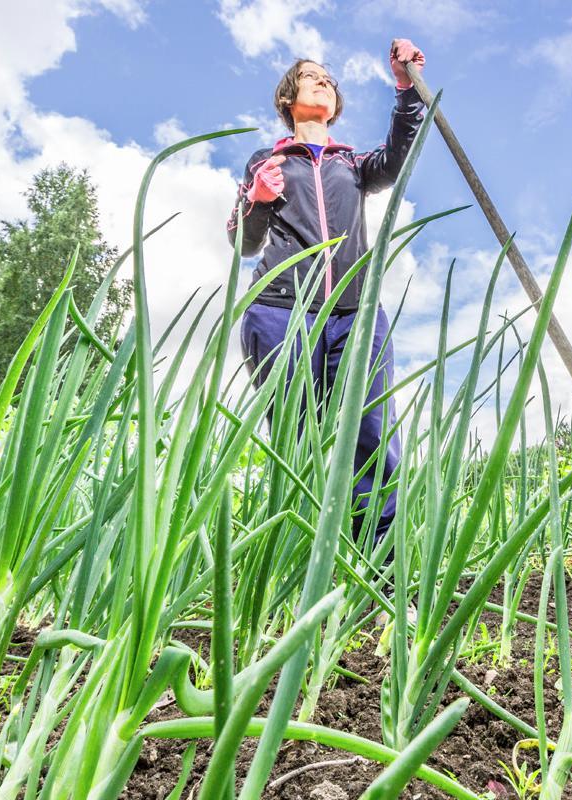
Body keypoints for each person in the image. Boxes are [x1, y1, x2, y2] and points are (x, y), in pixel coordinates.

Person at [228, 39, 426, 551]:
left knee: (372, 436)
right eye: (312, 76)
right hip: (280, 312)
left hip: (355, 313)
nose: (325, 82)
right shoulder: (265, 160)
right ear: (289, 98)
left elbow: (398, 157)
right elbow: (243, 242)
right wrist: (258, 202)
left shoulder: (352, 164)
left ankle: (377, 574)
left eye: (330, 80)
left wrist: (406, 90)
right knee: (298, 441)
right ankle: (300, 566)